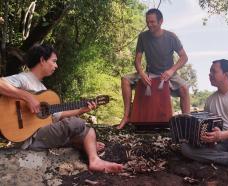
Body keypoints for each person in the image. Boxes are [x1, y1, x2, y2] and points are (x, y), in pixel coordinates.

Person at [0, 44, 123, 173]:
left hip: (43, 137)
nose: (56, 66)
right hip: (30, 138)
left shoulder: (43, 90)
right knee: (76, 123)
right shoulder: (25, 78)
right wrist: (27, 97)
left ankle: (94, 160)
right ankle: (85, 147)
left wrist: (82, 110)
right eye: (54, 61)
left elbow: (59, 114)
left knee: (89, 132)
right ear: (42, 60)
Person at [117, 8, 190, 129]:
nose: (149, 25)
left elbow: (184, 57)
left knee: (184, 88)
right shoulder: (143, 37)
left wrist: (171, 70)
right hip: (149, 73)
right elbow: (137, 59)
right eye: (147, 22)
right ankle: (126, 116)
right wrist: (141, 73)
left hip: (169, 74)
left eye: (152, 22)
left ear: (161, 21)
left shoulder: (171, 37)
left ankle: (187, 124)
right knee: (125, 79)